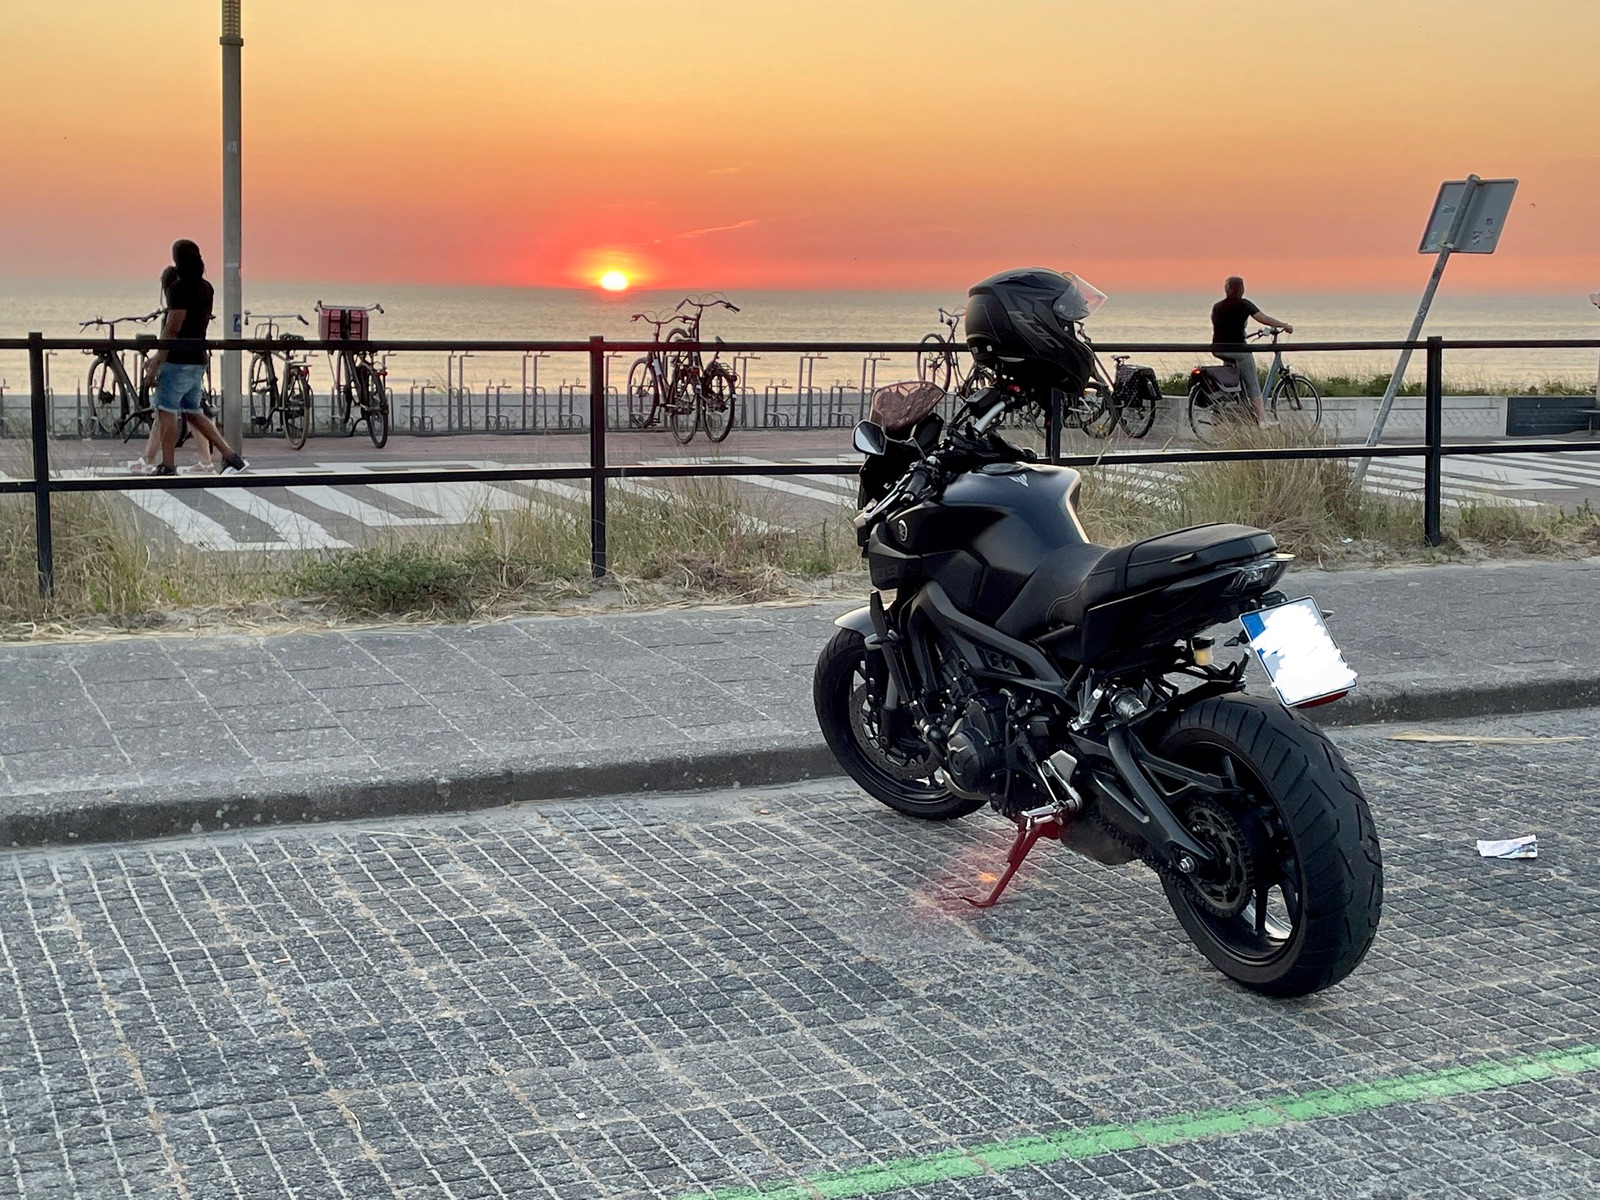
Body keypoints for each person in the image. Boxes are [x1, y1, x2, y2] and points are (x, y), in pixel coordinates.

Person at [141, 239, 247, 476]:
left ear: (177, 260)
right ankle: (231, 456)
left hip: (178, 359)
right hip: (198, 357)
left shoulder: (179, 289)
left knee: (166, 410)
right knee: (193, 412)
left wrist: (158, 358)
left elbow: (173, 327)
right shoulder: (206, 288)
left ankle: (168, 464)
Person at [129, 266, 213, 475]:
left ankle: (152, 460)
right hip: (196, 361)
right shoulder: (196, 307)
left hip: (177, 364)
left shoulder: (174, 312)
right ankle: (206, 461)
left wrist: (156, 364)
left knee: (165, 412)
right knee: (192, 412)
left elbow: (169, 337)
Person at [1211, 276, 1293, 424]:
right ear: (1242, 290)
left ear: (1227, 289)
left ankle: (1238, 407)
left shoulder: (1217, 306)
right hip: (1238, 350)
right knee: (1253, 384)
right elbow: (1264, 319)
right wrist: (1284, 325)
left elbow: (1222, 327)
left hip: (1218, 349)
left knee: (1234, 379)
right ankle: (1262, 421)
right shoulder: (1244, 305)